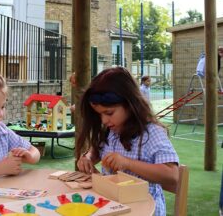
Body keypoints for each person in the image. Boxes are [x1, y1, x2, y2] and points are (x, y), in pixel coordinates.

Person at [76, 67, 179, 216]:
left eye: (109, 113)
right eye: (99, 115)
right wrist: (88, 157)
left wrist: (128, 163)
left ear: (130, 104)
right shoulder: (111, 131)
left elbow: (172, 175)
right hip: (112, 206)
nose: (104, 120)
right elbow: (97, 150)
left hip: (144, 210)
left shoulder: (152, 133)